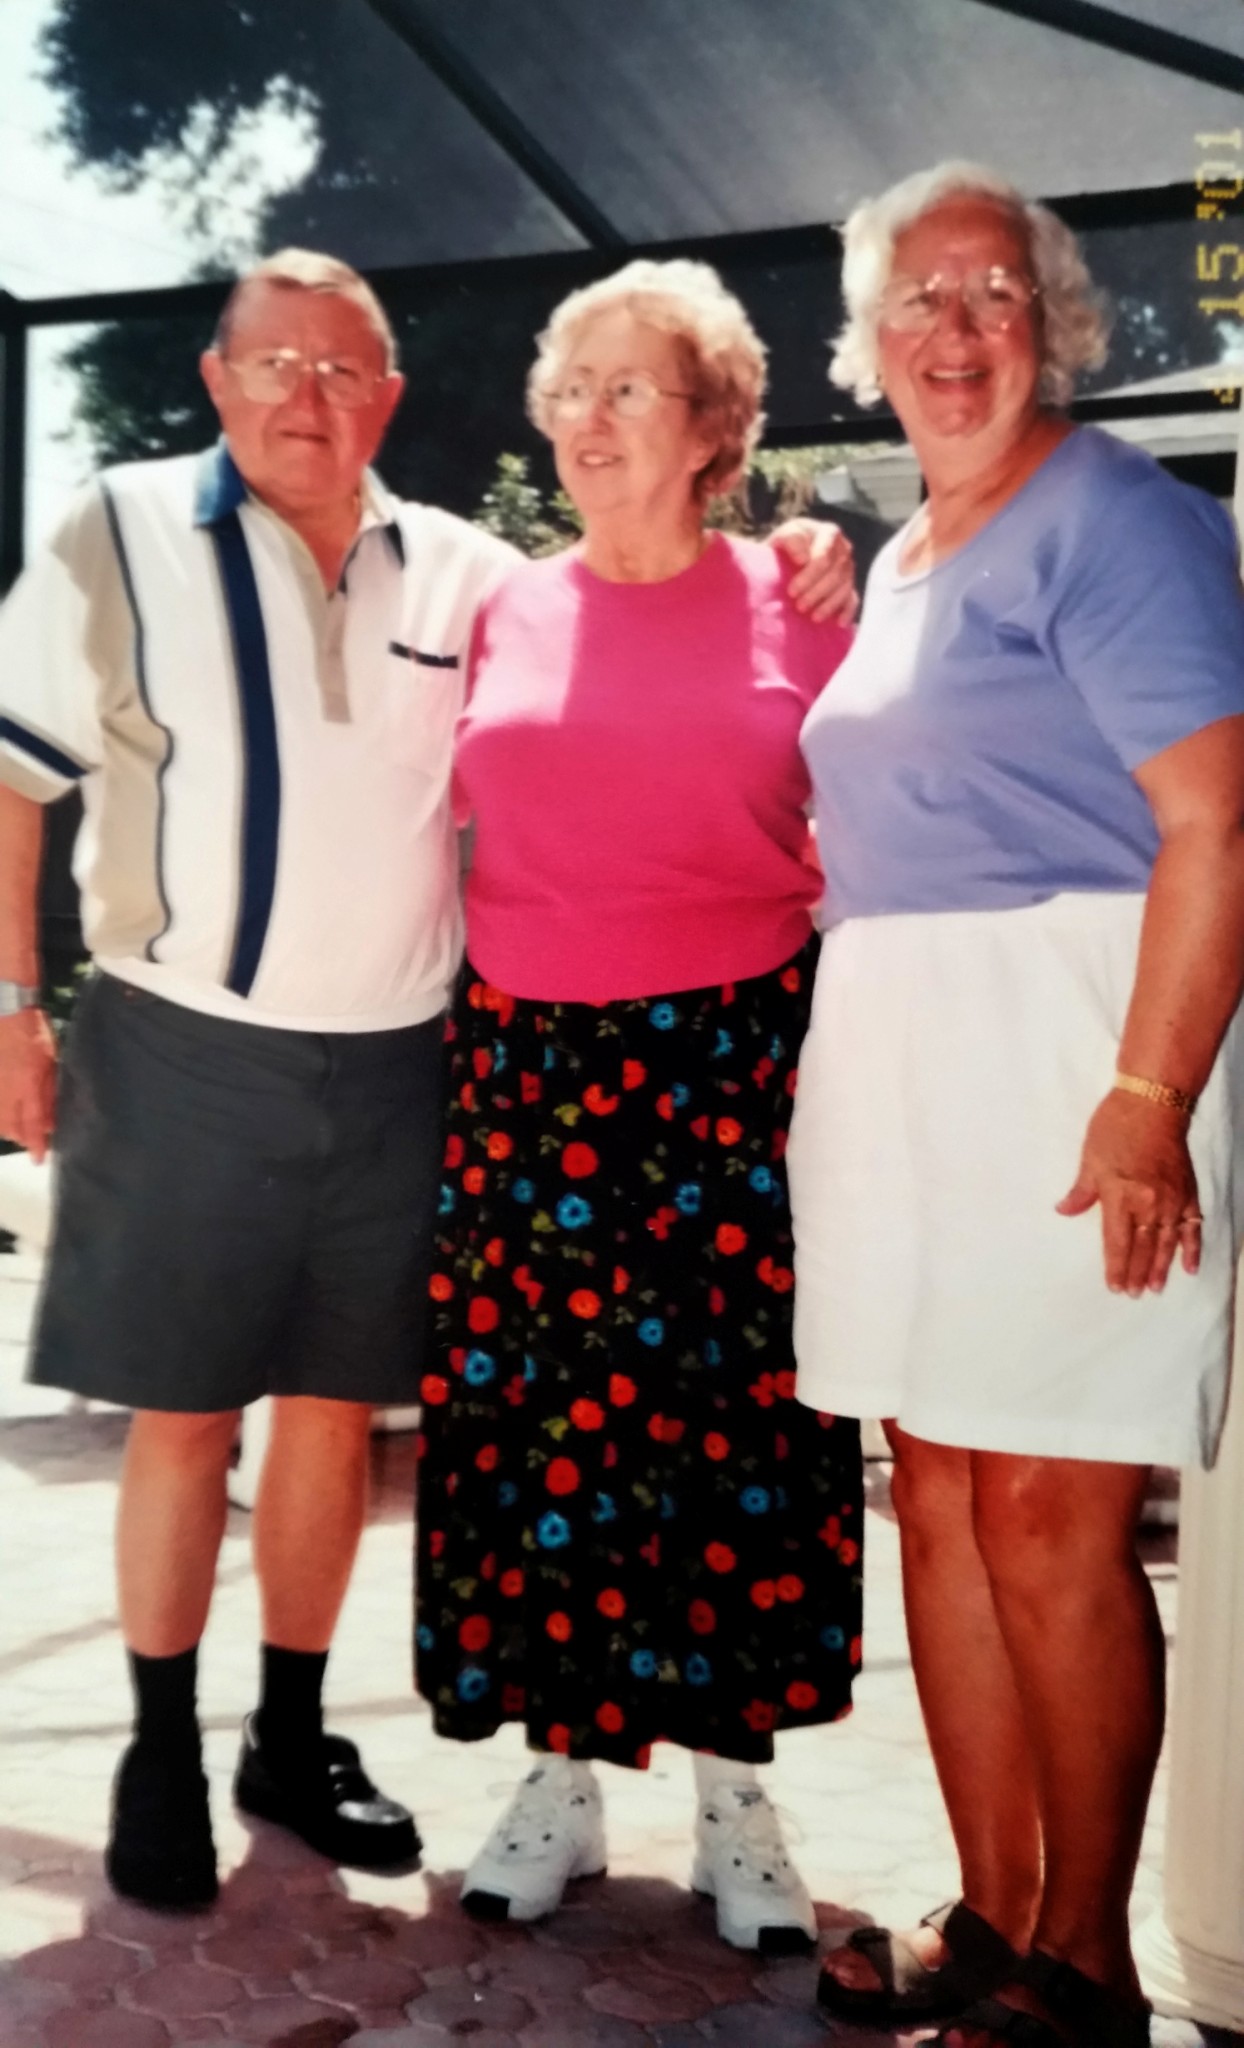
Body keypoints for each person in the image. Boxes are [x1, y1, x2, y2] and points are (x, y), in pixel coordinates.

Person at [0, 247, 853, 1915]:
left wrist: (815, 546)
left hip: (577, 1070)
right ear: (216, 378)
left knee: (600, 1430)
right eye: (273, 362)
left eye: (343, 369)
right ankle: (253, 1755)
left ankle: (398, 1752)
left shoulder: (510, 576)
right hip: (355, 1060)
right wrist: (11, 1005)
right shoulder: (185, 543)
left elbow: (818, 768)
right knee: (340, 1424)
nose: (306, 395)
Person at [789, 162, 1244, 2048]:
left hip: (1075, 1046)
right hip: (901, 1053)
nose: (955, 330)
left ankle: (1088, 1965)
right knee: (943, 1499)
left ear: (1052, 323)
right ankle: (990, 1916)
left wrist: (1147, 1100)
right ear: (869, 338)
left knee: (1053, 1513)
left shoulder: (1121, 517)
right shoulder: (903, 550)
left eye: (993, 293)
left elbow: (1217, 824)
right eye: (918, 297)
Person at [414, 257, 865, 1955]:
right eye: (571, 390)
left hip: (734, 1065)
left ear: (712, 428)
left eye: (630, 390)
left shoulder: (803, 601)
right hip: (530, 1070)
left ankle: (738, 1794)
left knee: (734, 1428)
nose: (589, 420)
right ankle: (564, 1771)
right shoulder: (500, 604)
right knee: (548, 1427)